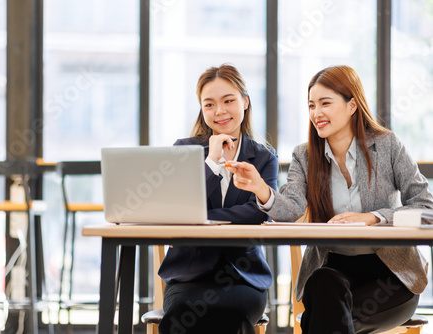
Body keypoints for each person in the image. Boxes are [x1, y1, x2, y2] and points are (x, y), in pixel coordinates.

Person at [227, 65, 433, 333]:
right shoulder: (305, 155)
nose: (316, 113)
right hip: (333, 269)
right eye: (311, 105)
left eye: (326, 103)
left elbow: (426, 207)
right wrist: (261, 190)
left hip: (391, 274)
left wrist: (374, 217)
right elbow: (291, 210)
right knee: (325, 286)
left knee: (323, 318)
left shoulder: (387, 145)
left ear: (352, 105)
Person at [157, 64, 278, 334]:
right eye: (209, 104)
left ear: (245, 102)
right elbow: (178, 208)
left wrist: (200, 219)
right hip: (189, 275)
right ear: (202, 109)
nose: (219, 111)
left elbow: (258, 213)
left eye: (228, 101)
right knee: (181, 318)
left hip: (244, 277)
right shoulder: (185, 150)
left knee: (231, 317)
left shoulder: (263, 157)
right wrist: (211, 162)